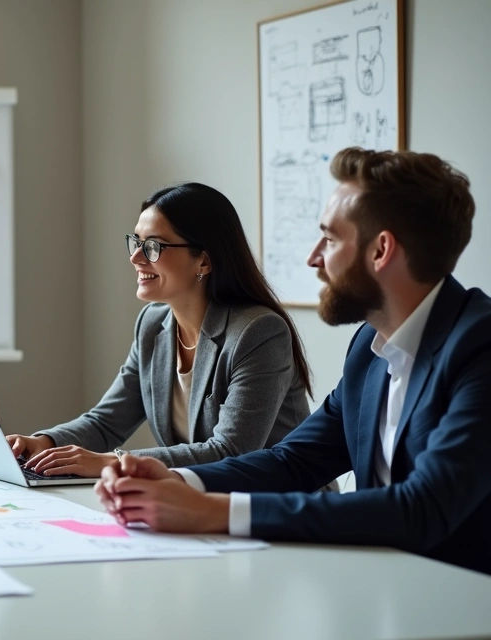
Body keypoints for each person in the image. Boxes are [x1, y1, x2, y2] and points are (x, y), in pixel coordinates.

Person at [96, 148, 491, 576]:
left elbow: (423, 507)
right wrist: (180, 481)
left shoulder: (479, 348)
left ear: (381, 251)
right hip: (382, 587)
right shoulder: (368, 349)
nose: (314, 257)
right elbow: (294, 461)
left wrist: (212, 511)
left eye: (331, 238)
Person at [6, 183, 312, 477]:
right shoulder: (152, 324)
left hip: (282, 510)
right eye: (136, 242)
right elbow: (106, 423)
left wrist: (112, 463)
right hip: (201, 502)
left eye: (153, 246)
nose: (135, 257)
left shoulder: (258, 332)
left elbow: (231, 451)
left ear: (203, 261)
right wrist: (43, 443)